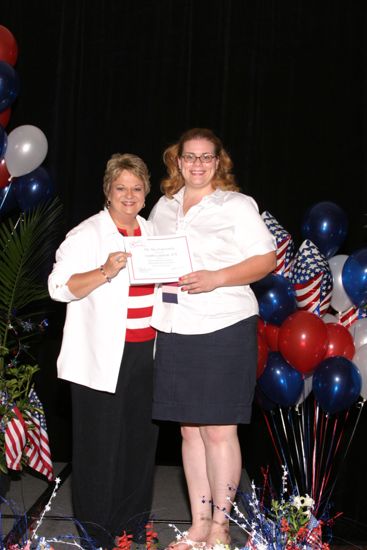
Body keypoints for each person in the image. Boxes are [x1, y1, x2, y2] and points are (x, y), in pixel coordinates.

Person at [149, 128, 277, 549]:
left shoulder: (237, 205)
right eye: (190, 157)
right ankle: (198, 524)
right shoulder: (164, 207)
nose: (198, 165)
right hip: (174, 327)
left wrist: (217, 277)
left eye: (207, 157)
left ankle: (221, 529)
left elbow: (266, 259)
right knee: (189, 433)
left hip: (224, 325)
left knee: (220, 432)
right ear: (178, 161)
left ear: (218, 161)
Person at [48, 153, 159, 549]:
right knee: (99, 450)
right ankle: (96, 536)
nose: (128, 195)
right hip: (101, 358)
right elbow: (58, 288)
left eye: (136, 188)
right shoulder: (87, 234)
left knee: (139, 447)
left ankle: (131, 529)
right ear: (108, 192)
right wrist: (104, 271)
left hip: (148, 355)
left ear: (146, 193)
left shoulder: (155, 234)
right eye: (120, 188)